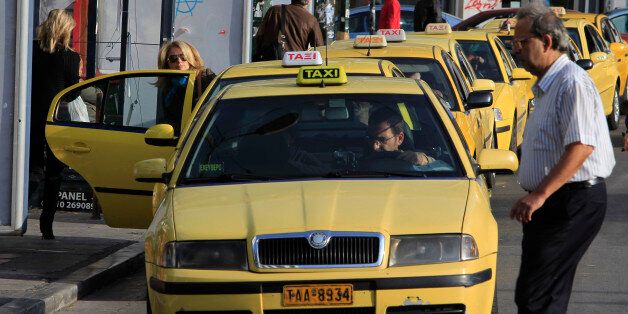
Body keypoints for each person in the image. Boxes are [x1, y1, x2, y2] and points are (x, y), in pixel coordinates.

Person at [509, 3, 615, 313]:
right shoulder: (549, 85)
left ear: (548, 41)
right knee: (539, 293)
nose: (516, 50)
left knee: (538, 296)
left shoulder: (571, 82)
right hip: (555, 200)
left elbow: (582, 146)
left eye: (522, 42)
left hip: (571, 200)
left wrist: (540, 194)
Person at [31, 9, 82, 240]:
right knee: (54, 172)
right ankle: (47, 224)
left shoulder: (30, 50)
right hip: (56, 120)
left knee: (32, 168)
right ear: (64, 30)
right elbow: (71, 94)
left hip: (30, 117)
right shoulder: (71, 57)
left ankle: (17, 213)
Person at [156, 41, 216, 130]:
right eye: (173, 58)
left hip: (200, 136)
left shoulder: (205, 77)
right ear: (166, 63)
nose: (179, 61)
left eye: (183, 57)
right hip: (176, 138)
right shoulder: (167, 86)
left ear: (191, 58)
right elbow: (165, 119)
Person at [253, 0, 324, 61]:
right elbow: (319, 49)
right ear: (309, 1)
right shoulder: (311, 20)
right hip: (294, 63)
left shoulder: (274, 10)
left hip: (269, 62)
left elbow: (259, 36)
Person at [366, 107, 434, 165]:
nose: (375, 147)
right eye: (371, 138)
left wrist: (424, 159)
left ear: (400, 138)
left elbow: (441, 165)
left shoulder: (409, 161)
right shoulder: (358, 164)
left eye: (382, 140)